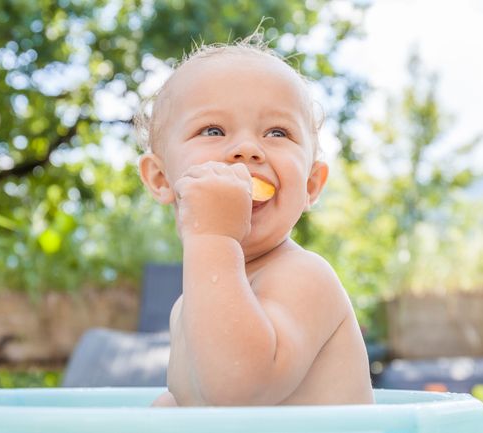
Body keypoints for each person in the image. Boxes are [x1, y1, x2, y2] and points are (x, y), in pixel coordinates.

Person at [136, 36, 374, 407]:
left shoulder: (305, 277)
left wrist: (212, 235)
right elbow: (200, 407)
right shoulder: (188, 308)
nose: (247, 149)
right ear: (161, 178)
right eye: (213, 130)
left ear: (311, 185)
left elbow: (238, 390)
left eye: (277, 133)